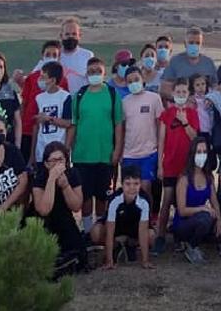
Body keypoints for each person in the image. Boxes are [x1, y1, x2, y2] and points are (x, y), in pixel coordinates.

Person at [71, 56, 124, 234]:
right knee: (85, 197)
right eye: (91, 72)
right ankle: (87, 231)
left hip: (105, 155)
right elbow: (73, 125)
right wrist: (67, 150)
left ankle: (100, 232)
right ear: (87, 73)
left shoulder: (112, 94)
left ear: (104, 73)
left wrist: (117, 150)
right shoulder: (79, 95)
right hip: (82, 155)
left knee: (103, 197)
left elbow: (118, 124)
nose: (94, 74)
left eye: (98, 72)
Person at [153, 77, 199, 254]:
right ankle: (160, 236)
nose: (181, 95)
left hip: (186, 167)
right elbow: (161, 141)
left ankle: (182, 236)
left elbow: (195, 137)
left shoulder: (193, 113)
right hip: (170, 165)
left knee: (183, 202)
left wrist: (185, 121)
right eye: (178, 92)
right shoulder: (166, 114)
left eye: (184, 92)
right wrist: (160, 165)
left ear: (188, 94)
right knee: (166, 202)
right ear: (173, 94)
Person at [91, 165, 155, 270]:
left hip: (135, 230)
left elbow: (143, 230)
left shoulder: (144, 200)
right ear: (122, 184)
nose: (132, 188)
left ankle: (132, 245)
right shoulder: (115, 199)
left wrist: (145, 261)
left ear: (140, 184)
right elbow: (109, 230)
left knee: (151, 236)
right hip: (116, 228)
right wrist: (109, 261)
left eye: (136, 184)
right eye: (128, 184)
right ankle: (116, 246)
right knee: (96, 232)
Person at [173, 137, 221, 264]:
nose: (201, 155)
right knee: (205, 218)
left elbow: (215, 202)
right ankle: (191, 246)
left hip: (201, 219)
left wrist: (219, 220)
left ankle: (198, 242)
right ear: (192, 154)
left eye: (204, 152)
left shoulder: (209, 177)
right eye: (198, 152)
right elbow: (182, 211)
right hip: (183, 223)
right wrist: (202, 208)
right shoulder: (184, 179)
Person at [32, 141, 84, 263]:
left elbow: (76, 206)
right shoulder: (39, 176)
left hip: (64, 217)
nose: (57, 164)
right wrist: (51, 180)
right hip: (44, 222)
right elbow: (43, 210)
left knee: (76, 250)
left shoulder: (72, 174)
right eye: (53, 161)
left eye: (60, 160)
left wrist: (66, 187)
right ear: (46, 163)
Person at [19, 40, 69, 163]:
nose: (50, 57)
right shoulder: (32, 78)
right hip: (27, 129)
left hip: (54, 137)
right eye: (47, 54)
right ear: (42, 55)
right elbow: (24, 102)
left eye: (54, 55)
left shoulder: (63, 83)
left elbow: (67, 120)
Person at [121, 66, 164, 198]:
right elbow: (122, 129)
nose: (134, 83)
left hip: (148, 153)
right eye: (130, 81)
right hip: (129, 154)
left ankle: (147, 217)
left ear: (142, 79)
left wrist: (160, 153)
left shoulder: (154, 98)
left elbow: (160, 127)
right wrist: (121, 152)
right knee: (130, 191)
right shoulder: (124, 102)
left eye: (136, 79)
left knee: (145, 188)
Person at [30, 61, 73, 167]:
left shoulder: (65, 97)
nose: (40, 80)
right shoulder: (39, 98)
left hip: (59, 150)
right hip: (41, 150)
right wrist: (33, 154)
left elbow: (68, 123)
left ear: (53, 80)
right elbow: (36, 126)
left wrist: (49, 119)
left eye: (43, 77)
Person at [161, 27, 217, 100]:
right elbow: (164, 89)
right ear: (185, 44)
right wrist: (183, 99)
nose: (194, 45)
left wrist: (212, 99)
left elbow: (215, 86)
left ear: (201, 44)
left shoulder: (208, 63)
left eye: (197, 43)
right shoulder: (175, 62)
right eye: (191, 43)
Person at [59, 17, 95, 93]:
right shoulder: (55, 56)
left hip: (81, 100)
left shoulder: (88, 55)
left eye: (74, 34)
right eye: (67, 34)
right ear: (61, 36)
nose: (71, 37)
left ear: (79, 36)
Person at [190, 73, 214, 141]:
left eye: (203, 84)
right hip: (198, 130)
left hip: (210, 130)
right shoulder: (192, 100)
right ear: (193, 87)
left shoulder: (211, 97)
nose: (201, 87)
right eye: (197, 85)